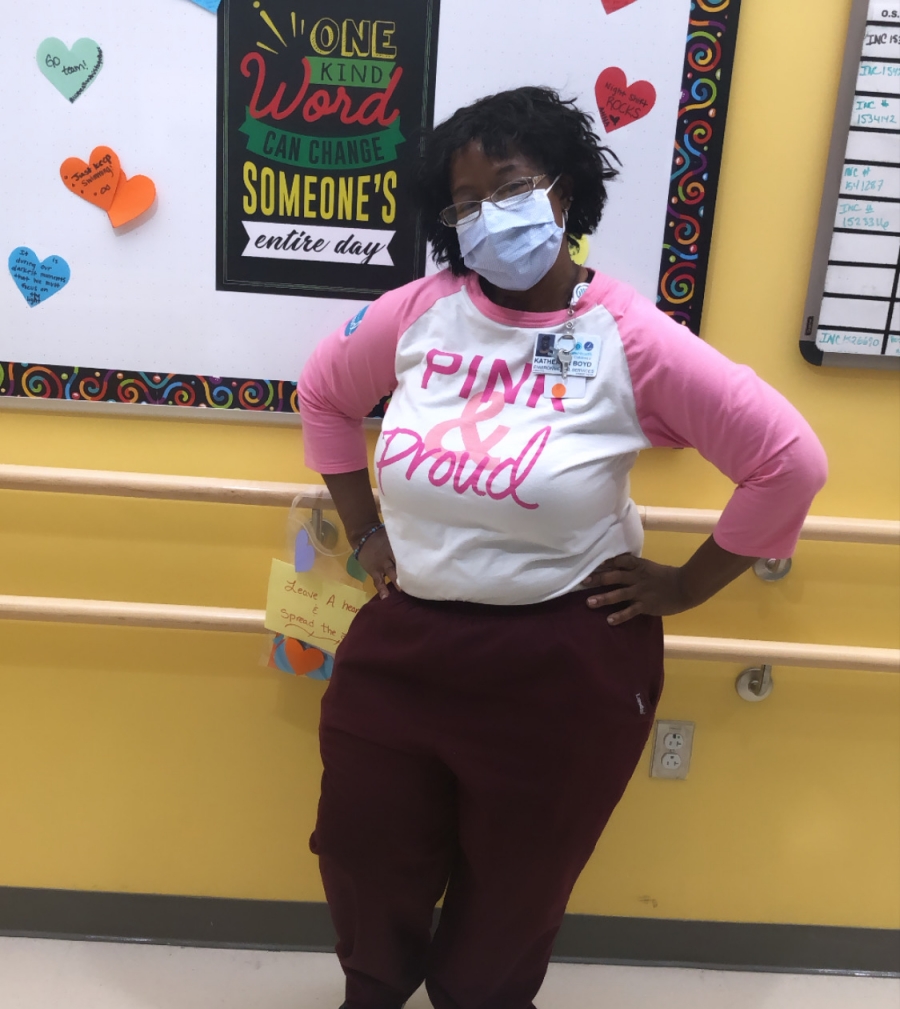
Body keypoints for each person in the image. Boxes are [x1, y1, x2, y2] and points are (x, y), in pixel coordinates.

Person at [297, 86, 827, 1009]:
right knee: (360, 847)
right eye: (463, 204)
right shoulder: (418, 314)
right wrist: (367, 530)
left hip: (560, 665)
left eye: (508, 188)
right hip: (406, 648)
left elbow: (789, 460)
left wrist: (689, 585)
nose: (486, 218)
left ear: (566, 192)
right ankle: (372, 990)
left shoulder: (630, 337)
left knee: (514, 895)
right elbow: (324, 396)